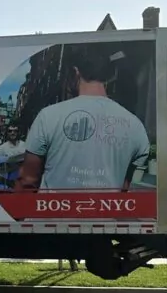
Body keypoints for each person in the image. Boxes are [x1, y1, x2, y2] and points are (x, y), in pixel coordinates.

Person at [17, 47, 150, 191]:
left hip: (54, 211)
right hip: (105, 212)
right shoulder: (135, 126)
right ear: (107, 76)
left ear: (76, 72)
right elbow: (125, 186)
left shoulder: (48, 116)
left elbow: (28, 180)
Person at [0, 124, 26, 192]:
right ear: (7, 133)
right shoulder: (2, 148)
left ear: (19, 132)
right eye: (10, 131)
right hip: (6, 186)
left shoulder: (25, 146)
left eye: (15, 131)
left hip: (22, 185)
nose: (12, 133)